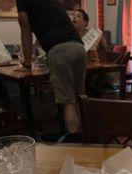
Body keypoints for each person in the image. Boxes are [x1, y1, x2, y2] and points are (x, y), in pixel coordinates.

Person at [16, 0, 88, 138]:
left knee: (68, 101)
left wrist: (27, 64)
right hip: (79, 47)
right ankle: (86, 138)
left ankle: (75, 145)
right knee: (80, 96)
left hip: (60, 50)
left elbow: (25, 29)